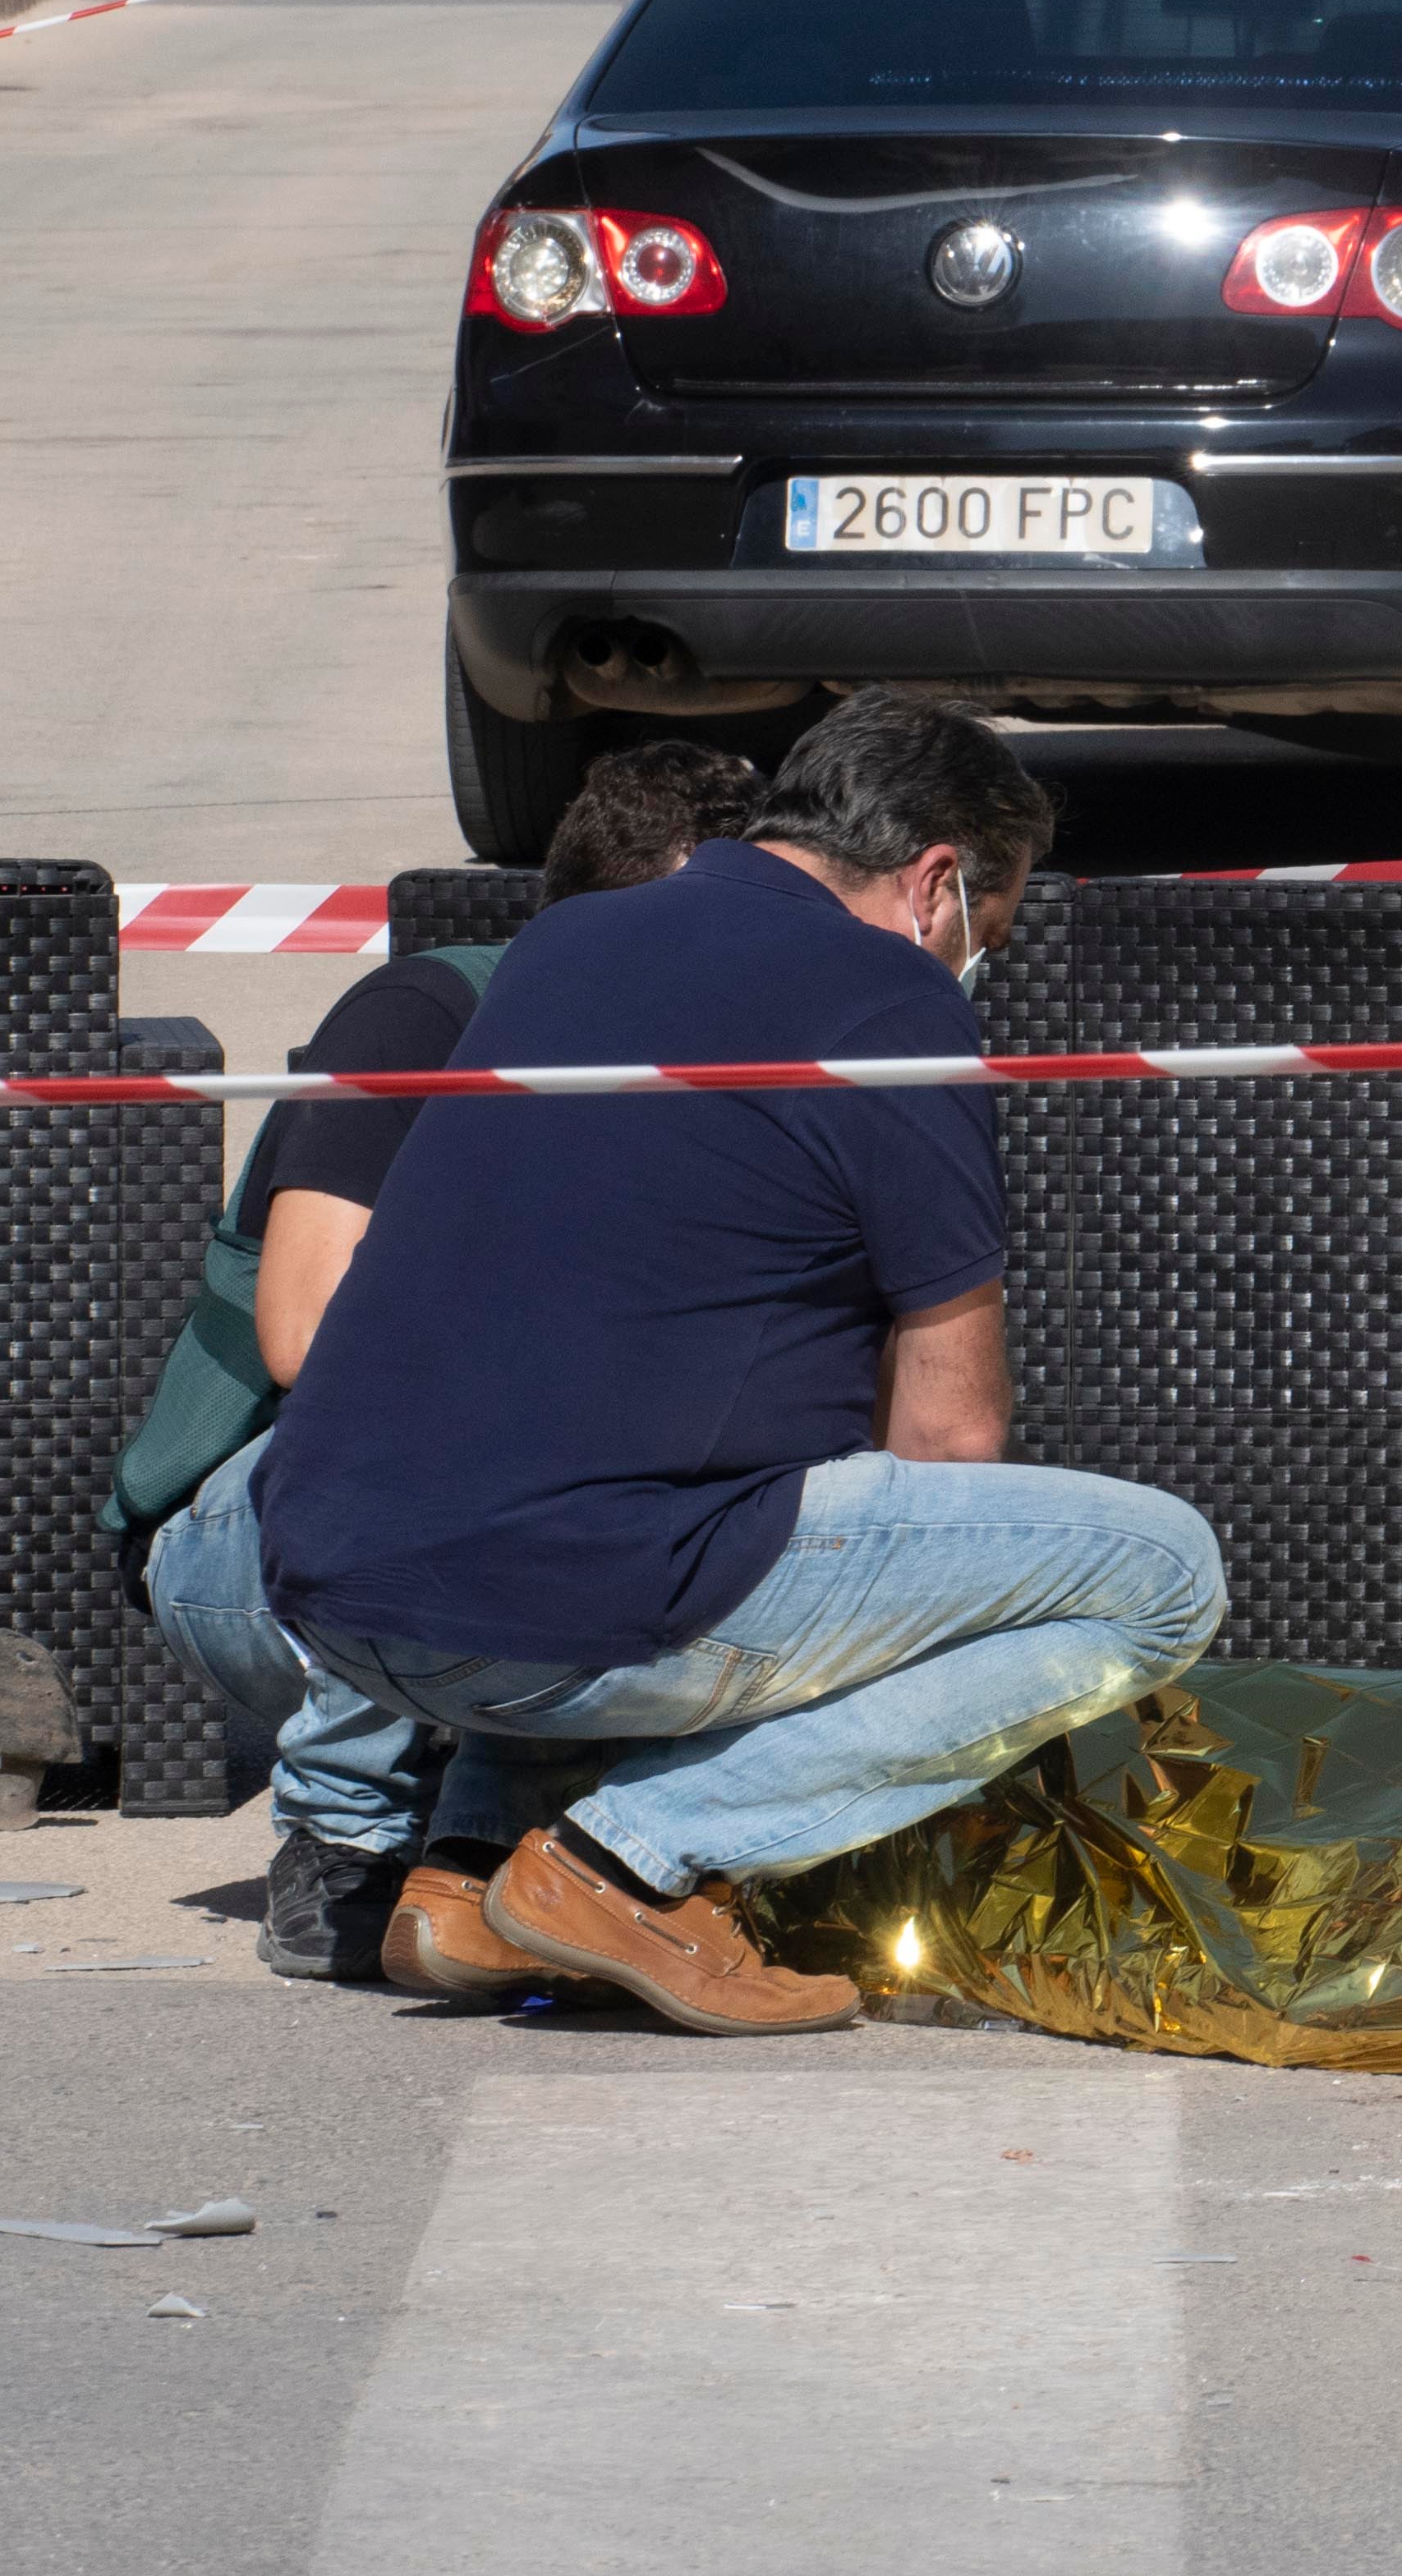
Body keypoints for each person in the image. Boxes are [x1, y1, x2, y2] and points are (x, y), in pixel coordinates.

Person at [263, 692, 1220, 2041]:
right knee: (1160, 1569)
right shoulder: (887, 995)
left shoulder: (565, 938)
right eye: (983, 934)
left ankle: (469, 1873)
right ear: (939, 878)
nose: (972, 965)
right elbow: (950, 1436)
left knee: (618, 1489)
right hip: (549, 1604)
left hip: (331, 1579)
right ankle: (629, 1862)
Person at [117, 740, 766, 1988]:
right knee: (465, 1453)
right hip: (248, 1548)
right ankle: (343, 1835)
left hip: (498, 1536)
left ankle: (489, 1841)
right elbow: (304, 1336)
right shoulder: (430, 1012)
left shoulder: (706, 1056)